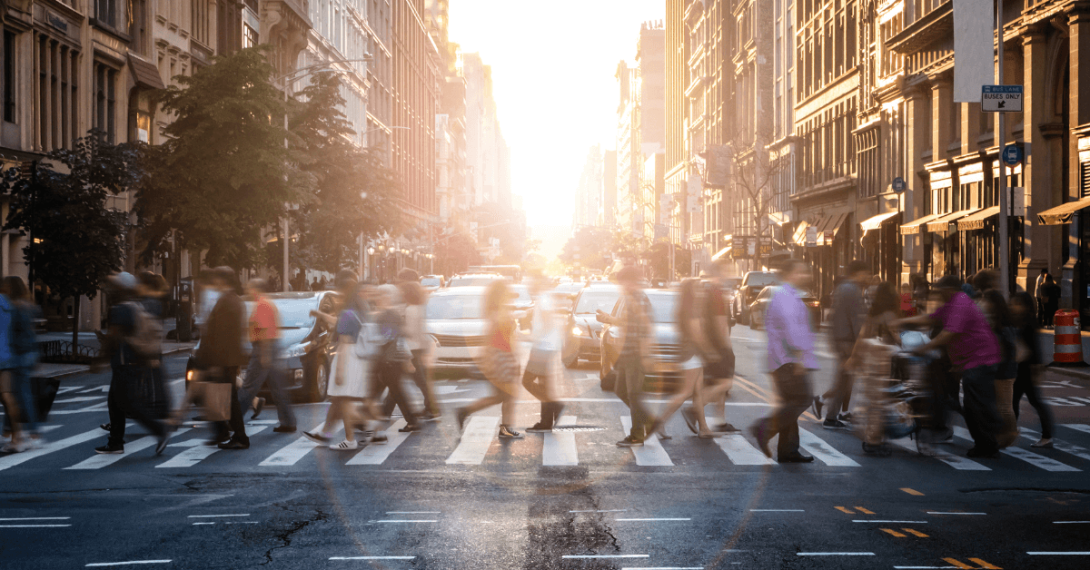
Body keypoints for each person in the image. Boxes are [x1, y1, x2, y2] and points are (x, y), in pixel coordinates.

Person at [898, 275, 1003, 458]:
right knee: (973, 403)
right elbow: (930, 319)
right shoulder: (951, 304)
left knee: (975, 404)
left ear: (949, 290)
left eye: (940, 290)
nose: (938, 293)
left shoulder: (960, 302)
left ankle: (988, 444)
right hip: (971, 361)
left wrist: (924, 348)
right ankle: (986, 441)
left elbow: (948, 333)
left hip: (981, 359)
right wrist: (903, 322)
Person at [94, 272, 172, 456]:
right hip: (128, 362)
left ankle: (159, 431)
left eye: (113, 287)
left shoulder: (122, 308)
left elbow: (115, 337)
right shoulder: (132, 306)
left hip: (126, 363)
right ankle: (115, 442)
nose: (108, 290)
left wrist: (99, 359)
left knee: (128, 403)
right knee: (115, 403)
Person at [749, 259, 818, 463]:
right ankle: (765, 428)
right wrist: (798, 358)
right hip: (787, 360)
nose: (804, 276)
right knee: (803, 399)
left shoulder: (787, 295)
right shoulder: (785, 297)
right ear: (789, 274)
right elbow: (791, 330)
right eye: (800, 272)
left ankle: (788, 450)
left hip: (781, 359)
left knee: (791, 403)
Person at [305, 271, 381, 448]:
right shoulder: (360, 310)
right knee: (340, 399)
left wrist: (339, 370)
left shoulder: (348, 312)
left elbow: (345, 342)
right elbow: (339, 322)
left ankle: (354, 437)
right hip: (360, 358)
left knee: (344, 400)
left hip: (348, 359)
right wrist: (320, 315)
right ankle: (326, 433)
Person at [596, 266, 654, 447]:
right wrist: (608, 318)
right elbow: (627, 322)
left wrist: (645, 355)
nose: (620, 286)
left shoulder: (639, 298)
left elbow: (645, 327)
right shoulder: (630, 298)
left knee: (634, 394)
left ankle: (637, 435)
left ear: (631, 281)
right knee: (620, 390)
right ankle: (650, 421)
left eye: (622, 282)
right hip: (627, 352)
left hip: (636, 353)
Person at [458, 280, 523, 440]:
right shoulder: (497, 313)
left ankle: (503, 427)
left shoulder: (496, 310)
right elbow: (497, 338)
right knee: (506, 395)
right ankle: (467, 412)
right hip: (501, 357)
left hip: (502, 356)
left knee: (504, 395)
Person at [194, 267, 249, 449]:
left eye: (217, 278)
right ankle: (223, 432)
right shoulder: (233, 300)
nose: (214, 282)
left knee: (228, 399)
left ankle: (238, 437)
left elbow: (222, 335)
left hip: (223, 359)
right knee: (222, 397)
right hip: (227, 359)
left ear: (222, 280)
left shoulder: (227, 301)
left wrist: (216, 362)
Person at [236, 279, 297, 434]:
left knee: (249, 387)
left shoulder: (262, 304)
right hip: (272, 347)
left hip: (264, 347)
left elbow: (263, 330)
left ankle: (233, 421)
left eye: (249, 287)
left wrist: (264, 355)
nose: (247, 289)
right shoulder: (268, 303)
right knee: (278, 389)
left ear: (256, 289)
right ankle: (288, 422)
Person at [815, 260, 870, 429]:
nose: (867, 277)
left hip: (842, 341)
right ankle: (831, 416)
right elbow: (856, 320)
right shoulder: (852, 290)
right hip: (848, 343)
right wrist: (861, 345)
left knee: (845, 380)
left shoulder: (843, 288)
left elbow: (834, 317)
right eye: (866, 273)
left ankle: (832, 412)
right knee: (845, 381)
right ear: (858, 273)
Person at [846, 282, 900, 453]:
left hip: (869, 360)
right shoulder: (890, 314)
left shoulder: (872, 314)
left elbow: (861, 337)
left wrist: (854, 358)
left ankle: (871, 436)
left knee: (872, 401)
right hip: (884, 359)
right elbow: (898, 337)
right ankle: (874, 441)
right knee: (879, 403)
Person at [382, 279, 438, 422]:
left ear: (408, 293)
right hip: (416, 349)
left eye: (402, 291)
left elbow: (411, 331)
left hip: (410, 349)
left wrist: (398, 327)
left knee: (411, 381)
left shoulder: (410, 309)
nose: (400, 294)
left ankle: (432, 409)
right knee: (401, 381)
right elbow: (421, 331)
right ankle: (385, 411)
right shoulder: (418, 307)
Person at [372, 284, 422, 433]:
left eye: (379, 296)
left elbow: (389, 337)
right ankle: (411, 420)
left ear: (386, 297)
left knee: (391, 392)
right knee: (390, 391)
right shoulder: (390, 314)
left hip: (389, 360)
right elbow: (399, 338)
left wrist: (370, 339)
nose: (377, 298)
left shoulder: (388, 315)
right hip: (390, 359)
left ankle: (412, 421)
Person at [1009, 291, 1054, 448]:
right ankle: (1012, 430)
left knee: (1032, 401)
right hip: (1021, 369)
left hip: (1026, 369)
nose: (1014, 307)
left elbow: (1033, 350)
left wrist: (1037, 370)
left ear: (1026, 306)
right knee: (1015, 400)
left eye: (1017, 304)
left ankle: (1046, 436)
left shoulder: (1028, 324)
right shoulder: (1019, 322)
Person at [523, 274, 565, 433]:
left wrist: (532, 336)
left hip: (543, 347)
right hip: (546, 346)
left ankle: (555, 406)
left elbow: (548, 321)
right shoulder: (544, 297)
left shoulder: (544, 298)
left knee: (526, 381)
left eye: (530, 281)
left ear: (538, 282)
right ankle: (546, 422)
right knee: (544, 385)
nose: (528, 285)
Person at [0, 277, 38, 453]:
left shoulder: (14, 306)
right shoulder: (24, 305)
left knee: (15, 395)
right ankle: (18, 433)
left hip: (16, 355)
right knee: (13, 395)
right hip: (22, 354)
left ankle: (26, 434)